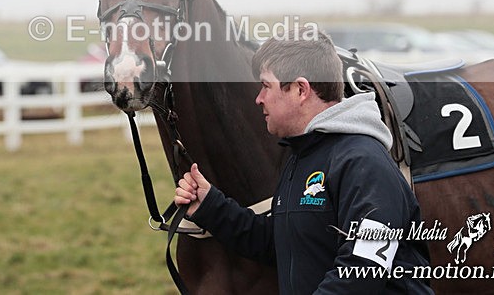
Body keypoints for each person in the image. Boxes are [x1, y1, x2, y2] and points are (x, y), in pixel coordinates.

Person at [174, 29, 433, 294]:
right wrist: (210, 206)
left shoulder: (364, 162)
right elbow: (282, 243)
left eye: (266, 85)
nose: (258, 98)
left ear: (300, 89)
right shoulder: (303, 156)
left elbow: (363, 269)